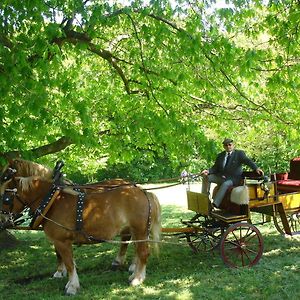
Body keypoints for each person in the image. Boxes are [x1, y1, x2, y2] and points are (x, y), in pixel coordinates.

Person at [201, 138, 264, 208]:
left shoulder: (239, 154)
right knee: (206, 177)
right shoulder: (220, 156)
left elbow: (247, 161)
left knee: (225, 184)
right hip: (221, 177)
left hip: (234, 179)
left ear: (233, 145)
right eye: (226, 145)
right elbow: (215, 167)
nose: (228, 146)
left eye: (229, 145)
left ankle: (215, 204)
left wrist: (256, 168)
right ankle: (205, 200)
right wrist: (208, 171)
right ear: (224, 146)